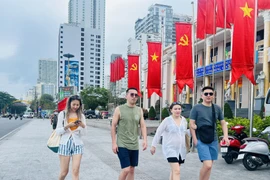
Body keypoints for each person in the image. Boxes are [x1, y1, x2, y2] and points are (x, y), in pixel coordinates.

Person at [189, 86, 229, 180]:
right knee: (207, 165)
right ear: (202, 95)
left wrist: (226, 136)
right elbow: (191, 124)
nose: (208, 95)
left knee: (210, 166)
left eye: (210, 94)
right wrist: (195, 140)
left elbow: (223, 123)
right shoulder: (196, 108)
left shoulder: (217, 108)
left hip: (213, 139)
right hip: (201, 139)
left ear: (213, 96)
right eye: (206, 94)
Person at [111, 87, 147, 180]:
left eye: (136, 95)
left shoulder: (139, 110)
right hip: (122, 144)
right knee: (126, 169)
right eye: (131, 94)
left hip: (134, 144)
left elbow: (143, 126)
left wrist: (145, 140)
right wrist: (114, 143)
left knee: (132, 169)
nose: (134, 97)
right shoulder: (119, 109)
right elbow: (113, 126)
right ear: (126, 96)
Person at [150, 102, 188, 180]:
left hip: (181, 149)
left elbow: (185, 133)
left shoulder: (184, 120)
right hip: (170, 148)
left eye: (179, 109)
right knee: (177, 170)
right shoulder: (167, 121)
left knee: (174, 171)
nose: (177, 111)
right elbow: (158, 132)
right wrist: (153, 145)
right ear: (171, 110)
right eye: (175, 109)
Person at [55, 95, 86, 180]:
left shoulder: (81, 116)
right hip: (65, 144)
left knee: (76, 171)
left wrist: (82, 125)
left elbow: (84, 133)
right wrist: (68, 126)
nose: (75, 107)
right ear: (69, 104)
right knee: (64, 172)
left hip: (77, 144)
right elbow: (57, 131)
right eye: (74, 104)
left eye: (77, 105)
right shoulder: (63, 114)